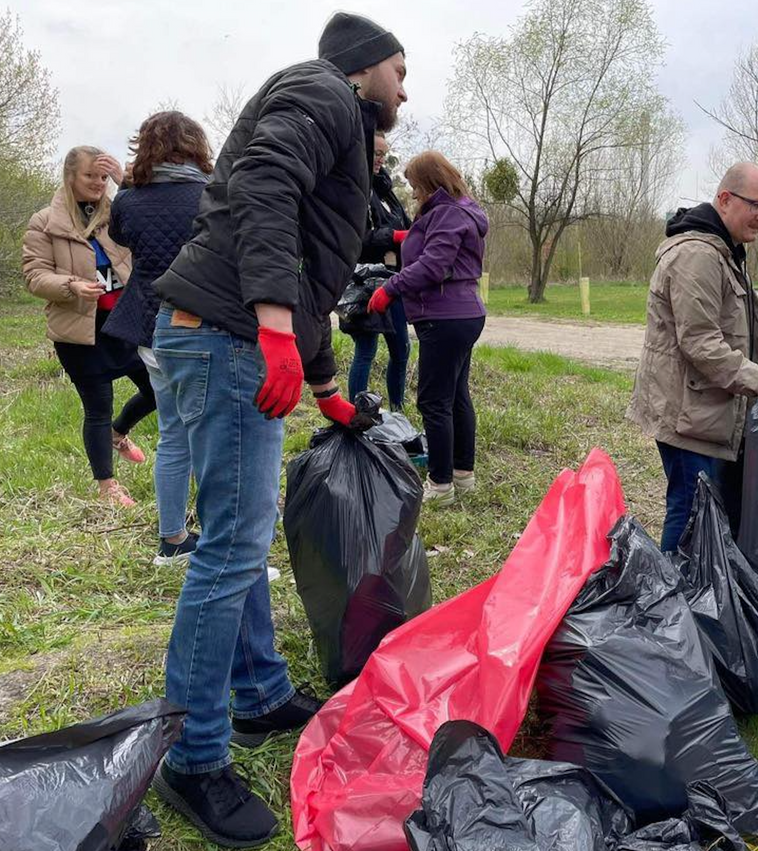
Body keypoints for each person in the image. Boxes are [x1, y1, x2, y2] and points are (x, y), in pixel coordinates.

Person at [148, 13, 407, 847]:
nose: (406, 88)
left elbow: (308, 263)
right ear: (365, 66)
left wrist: (328, 385)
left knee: (240, 535)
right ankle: (191, 757)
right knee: (227, 551)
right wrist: (266, 319)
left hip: (220, 331)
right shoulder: (324, 90)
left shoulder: (338, 112)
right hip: (226, 336)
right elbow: (265, 187)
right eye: (401, 70)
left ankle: (258, 695)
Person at [626, 162, 758, 553]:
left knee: (703, 512)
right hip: (689, 415)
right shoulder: (698, 256)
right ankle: (671, 603)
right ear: (724, 199)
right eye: (757, 205)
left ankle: (691, 595)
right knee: (689, 512)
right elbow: (701, 342)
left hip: (706, 410)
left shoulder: (726, 251)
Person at [106, 111, 213, 567]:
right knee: (212, 439)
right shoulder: (211, 195)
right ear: (196, 145)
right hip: (201, 325)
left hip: (150, 326)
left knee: (173, 436)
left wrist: (128, 184)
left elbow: (119, 237)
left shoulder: (129, 201)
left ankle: (172, 540)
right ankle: (218, 542)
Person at [22, 146, 155, 507]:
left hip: (126, 324)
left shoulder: (119, 212)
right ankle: (107, 487)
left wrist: (125, 182)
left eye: (102, 176)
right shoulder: (44, 222)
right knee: (98, 407)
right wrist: (70, 286)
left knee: (160, 390)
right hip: (80, 330)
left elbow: (155, 212)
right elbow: (34, 275)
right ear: (70, 177)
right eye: (90, 176)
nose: (98, 183)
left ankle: (119, 433)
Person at [369, 151, 487, 506]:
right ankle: (463, 475)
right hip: (462, 313)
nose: (414, 191)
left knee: (434, 400)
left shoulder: (447, 213)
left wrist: (388, 289)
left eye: (416, 185)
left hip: (445, 315)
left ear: (431, 180)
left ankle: (440, 484)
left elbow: (433, 266)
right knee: (456, 395)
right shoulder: (458, 209)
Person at [342, 128, 412, 404]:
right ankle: (355, 415)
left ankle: (397, 411)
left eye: (384, 153)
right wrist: (393, 237)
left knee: (401, 349)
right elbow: (353, 239)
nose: (380, 159)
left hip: (392, 280)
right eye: (376, 153)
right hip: (362, 281)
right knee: (366, 349)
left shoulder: (386, 189)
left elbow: (404, 224)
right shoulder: (351, 186)